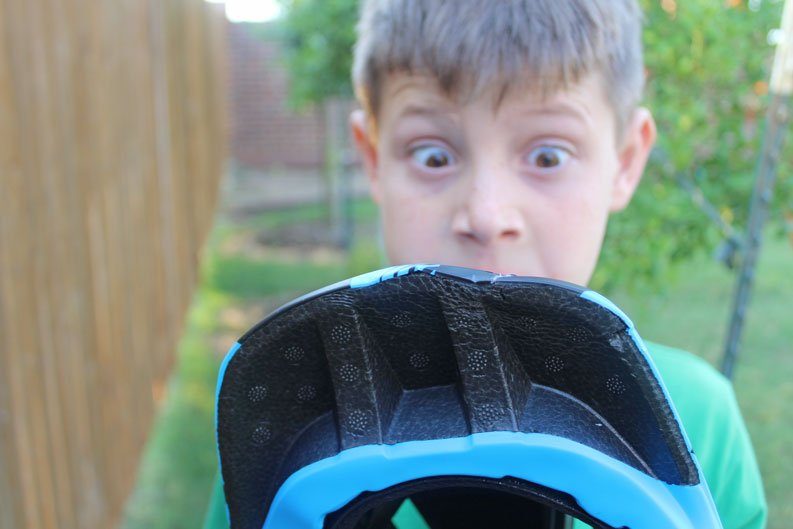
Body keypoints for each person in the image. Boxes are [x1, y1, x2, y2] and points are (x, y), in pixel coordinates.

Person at [204, 1, 767, 528]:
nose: (485, 214)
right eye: (434, 155)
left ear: (624, 161)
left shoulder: (699, 421)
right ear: (372, 158)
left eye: (547, 156)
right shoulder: (281, 420)